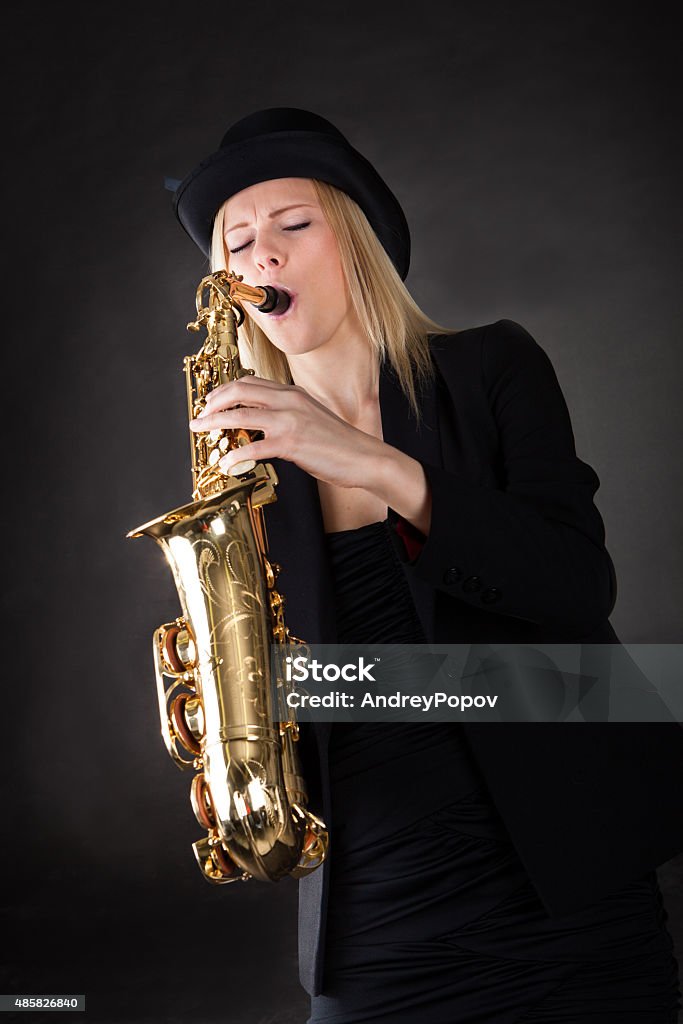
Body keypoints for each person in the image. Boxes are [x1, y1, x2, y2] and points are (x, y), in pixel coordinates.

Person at [171, 108, 683, 1023]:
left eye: (293, 224)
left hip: (568, 876)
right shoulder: (240, 471)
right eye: (236, 242)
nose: (262, 257)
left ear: (358, 243)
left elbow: (575, 596)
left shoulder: (493, 366)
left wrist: (371, 465)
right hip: (379, 906)